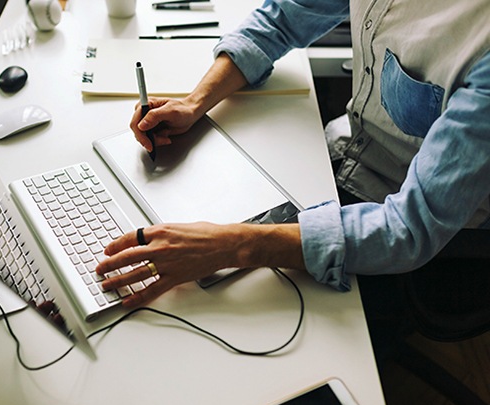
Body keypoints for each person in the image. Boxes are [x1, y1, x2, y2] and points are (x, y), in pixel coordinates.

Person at [95, 0, 490, 309]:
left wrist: (232, 245)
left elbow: (410, 229)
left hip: (417, 233)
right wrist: (195, 103)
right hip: (339, 157)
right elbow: (283, 18)